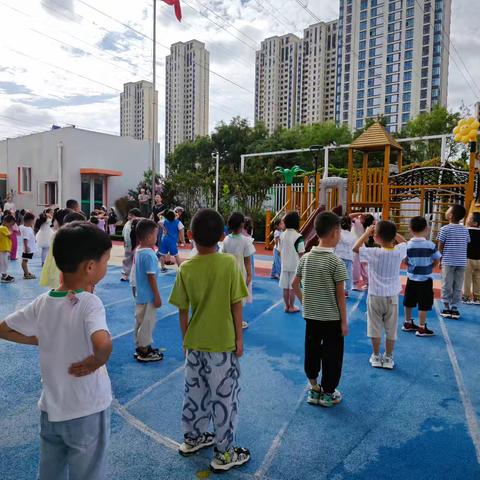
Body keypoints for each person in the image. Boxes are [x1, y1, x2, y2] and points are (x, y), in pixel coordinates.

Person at [0, 221, 113, 480]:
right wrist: (97, 361)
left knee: (50, 473)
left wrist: (44, 339)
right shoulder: (90, 303)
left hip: (51, 410)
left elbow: (4, 329)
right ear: (90, 267)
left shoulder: (44, 301)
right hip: (86, 409)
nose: (106, 266)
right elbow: (103, 344)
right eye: (105, 261)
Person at [169, 209, 251, 472]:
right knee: (224, 399)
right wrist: (239, 338)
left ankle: (192, 438)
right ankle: (224, 453)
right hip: (222, 347)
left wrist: (185, 341)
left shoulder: (186, 268)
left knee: (194, 394)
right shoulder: (228, 264)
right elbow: (236, 303)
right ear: (221, 235)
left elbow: (182, 309)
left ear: (191, 235)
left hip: (195, 345)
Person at [292, 212, 348, 407]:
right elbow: (341, 296)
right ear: (334, 232)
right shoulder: (336, 263)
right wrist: (344, 321)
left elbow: (294, 284)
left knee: (312, 351)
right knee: (332, 355)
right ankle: (328, 393)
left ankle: (314, 388)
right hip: (332, 320)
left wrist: (305, 302)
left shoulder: (306, 258)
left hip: (311, 317)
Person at [353, 221, 406, 369]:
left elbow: (355, 248)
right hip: (392, 296)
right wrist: (393, 233)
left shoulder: (373, 252)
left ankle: (376, 356)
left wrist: (367, 232)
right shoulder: (398, 251)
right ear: (393, 237)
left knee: (374, 327)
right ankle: (388, 357)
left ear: (376, 237)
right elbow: (405, 242)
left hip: (375, 295)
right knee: (391, 328)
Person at [402, 216, 441, 337]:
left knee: (408, 301)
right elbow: (437, 258)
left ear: (410, 230)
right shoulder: (430, 245)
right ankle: (422, 327)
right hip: (425, 279)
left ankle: (408, 323)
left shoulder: (407, 245)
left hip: (411, 278)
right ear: (426, 229)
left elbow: (404, 260)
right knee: (424, 304)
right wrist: (432, 266)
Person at [131, 219, 163, 362]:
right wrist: (157, 296)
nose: (157, 237)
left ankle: (141, 346)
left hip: (140, 294)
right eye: (156, 234)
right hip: (148, 295)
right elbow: (151, 277)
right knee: (147, 323)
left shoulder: (139, 251)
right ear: (149, 237)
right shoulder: (149, 255)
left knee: (140, 321)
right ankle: (144, 350)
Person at [223, 212, 256, 329]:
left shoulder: (226, 239)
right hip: (240, 272)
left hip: (228, 271)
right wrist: (249, 275)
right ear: (242, 225)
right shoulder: (245, 241)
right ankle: (238, 321)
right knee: (239, 297)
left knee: (230, 295)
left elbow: (223, 256)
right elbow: (247, 260)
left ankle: (230, 319)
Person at [437, 204, 470, 319]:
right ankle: (454, 308)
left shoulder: (444, 229)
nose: (446, 212)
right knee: (457, 285)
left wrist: (439, 259)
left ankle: (446, 307)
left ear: (450, 216)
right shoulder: (465, 230)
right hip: (461, 262)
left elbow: (440, 246)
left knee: (446, 284)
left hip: (448, 261)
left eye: (447, 210)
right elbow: (466, 243)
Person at [279, 211, 305, 313]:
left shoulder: (282, 235)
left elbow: (280, 249)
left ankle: (286, 306)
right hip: (295, 266)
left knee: (285, 287)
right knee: (292, 288)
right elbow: (301, 252)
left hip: (284, 265)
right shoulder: (298, 236)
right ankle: (292, 306)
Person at [334, 215, 356, 297]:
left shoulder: (338, 233)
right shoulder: (352, 235)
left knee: (337, 274)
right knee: (348, 275)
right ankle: (346, 291)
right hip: (349, 257)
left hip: (338, 256)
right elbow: (354, 246)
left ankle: (337, 290)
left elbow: (334, 244)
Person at [463, 212, 480, 304]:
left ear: (475, 223)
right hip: (479, 259)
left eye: (469, 218)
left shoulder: (466, 231)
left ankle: (466, 296)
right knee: (478, 278)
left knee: (467, 278)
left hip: (468, 258)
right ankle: (477, 297)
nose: (467, 219)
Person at [121, 208, 141, 282]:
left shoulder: (139, 224)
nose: (129, 217)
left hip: (137, 245)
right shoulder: (127, 223)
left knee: (138, 260)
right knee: (127, 259)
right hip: (128, 244)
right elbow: (124, 234)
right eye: (129, 215)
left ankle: (139, 275)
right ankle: (125, 274)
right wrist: (125, 243)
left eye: (131, 215)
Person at [20, 212, 37, 280]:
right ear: (29, 221)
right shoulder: (26, 229)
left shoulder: (24, 227)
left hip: (28, 247)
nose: (33, 222)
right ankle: (26, 274)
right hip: (27, 248)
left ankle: (26, 272)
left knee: (25, 260)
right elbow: (25, 239)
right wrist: (26, 247)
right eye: (33, 220)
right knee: (25, 261)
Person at [0, 214, 15, 283]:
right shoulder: (3, 228)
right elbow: (9, 236)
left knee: (4, 263)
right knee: (4, 263)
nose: (11, 226)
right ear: (6, 222)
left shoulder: (3, 228)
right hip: (3, 250)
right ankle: (4, 276)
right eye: (11, 224)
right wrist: (12, 230)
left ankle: (4, 275)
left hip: (4, 249)